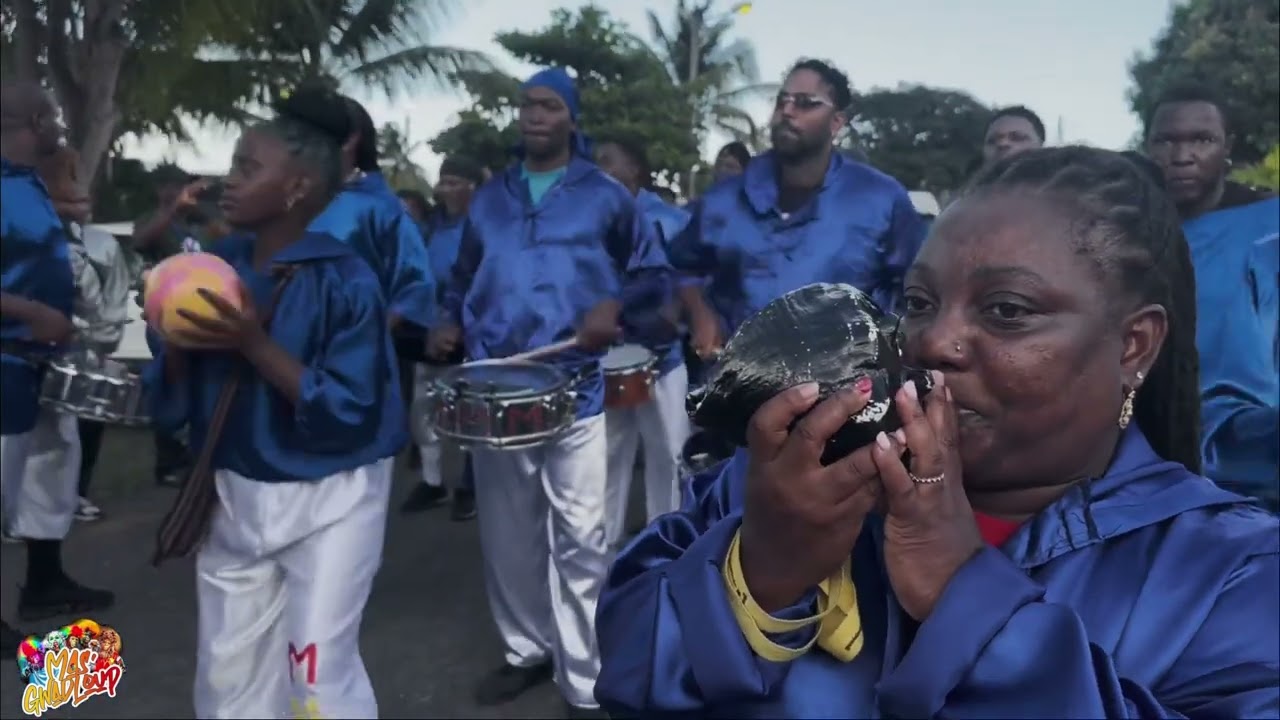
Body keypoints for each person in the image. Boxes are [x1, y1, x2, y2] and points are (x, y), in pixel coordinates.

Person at [595, 146, 1280, 718]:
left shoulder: (1229, 571)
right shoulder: (788, 481)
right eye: (919, 303)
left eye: (1007, 310)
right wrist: (761, 570)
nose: (935, 341)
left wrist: (966, 597)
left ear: (1132, 347)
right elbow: (624, 670)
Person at [143, 100, 405, 719]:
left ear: (296, 188)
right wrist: (175, 342)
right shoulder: (211, 269)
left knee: (315, 675)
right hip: (236, 496)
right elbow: (170, 402)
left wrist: (255, 345)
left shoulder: (346, 280)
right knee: (227, 677)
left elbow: (350, 410)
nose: (230, 179)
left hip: (332, 499)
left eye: (247, 167)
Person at [427, 67, 672, 718]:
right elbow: (462, 277)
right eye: (525, 106)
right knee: (508, 533)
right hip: (497, 385)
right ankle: (525, 650)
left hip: (577, 388)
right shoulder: (490, 199)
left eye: (546, 106)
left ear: (570, 118)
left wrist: (613, 307)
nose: (533, 116)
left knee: (583, 534)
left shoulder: (607, 197)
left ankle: (585, 679)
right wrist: (449, 320)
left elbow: (649, 278)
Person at [671, 58, 928, 362]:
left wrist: (881, 350)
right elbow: (681, 267)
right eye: (783, 100)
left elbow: (917, 287)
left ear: (837, 123)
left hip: (845, 391)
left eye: (806, 103)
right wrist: (701, 314)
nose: (787, 112)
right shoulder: (723, 200)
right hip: (736, 386)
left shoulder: (881, 199)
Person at [1, 81, 114, 649]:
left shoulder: (29, 184)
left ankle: (43, 582)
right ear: (31, 119)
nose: (60, 125)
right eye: (50, 114)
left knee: (52, 471)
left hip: (43, 361)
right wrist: (29, 312)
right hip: (6, 360)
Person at [1144, 83, 1279, 510]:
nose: (1182, 156)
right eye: (1166, 140)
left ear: (1227, 148)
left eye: (1201, 140)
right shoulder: (1127, 231)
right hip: (1152, 456)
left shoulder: (1268, 226)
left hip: (1254, 458)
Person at [594, 137, 692, 547]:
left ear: (634, 169)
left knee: (669, 452)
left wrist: (677, 312)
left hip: (664, 358)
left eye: (608, 162)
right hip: (610, 355)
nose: (600, 171)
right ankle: (602, 546)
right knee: (609, 453)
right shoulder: (593, 223)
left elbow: (693, 278)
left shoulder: (669, 220)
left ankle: (662, 542)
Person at [401, 155, 483, 520]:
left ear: (472, 187)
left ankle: (471, 484)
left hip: (470, 330)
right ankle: (433, 482)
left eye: (454, 181)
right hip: (428, 328)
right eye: (443, 181)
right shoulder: (431, 227)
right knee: (424, 408)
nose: (445, 189)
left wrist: (461, 323)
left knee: (469, 409)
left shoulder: (484, 227)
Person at [131, 164, 205, 487]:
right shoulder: (152, 220)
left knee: (196, 386)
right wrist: (172, 210)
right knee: (169, 384)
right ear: (159, 188)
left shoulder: (195, 225)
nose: (176, 189)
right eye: (169, 184)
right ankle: (168, 464)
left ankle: (192, 457)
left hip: (199, 317)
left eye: (180, 184)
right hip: (165, 318)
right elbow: (140, 241)